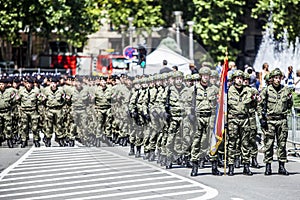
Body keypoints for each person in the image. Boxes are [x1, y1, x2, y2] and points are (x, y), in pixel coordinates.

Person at [258, 68, 293, 176]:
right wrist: (261, 118)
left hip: (282, 120)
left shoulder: (286, 90)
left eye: (279, 78)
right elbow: (259, 105)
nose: (277, 80)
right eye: (275, 78)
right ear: (272, 79)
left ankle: (281, 166)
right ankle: (268, 166)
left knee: (282, 144)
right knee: (269, 144)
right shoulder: (267, 90)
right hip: (270, 121)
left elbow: (289, 104)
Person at [190, 67, 221, 176]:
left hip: (211, 116)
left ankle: (214, 166)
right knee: (196, 141)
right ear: (200, 76)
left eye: (208, 76)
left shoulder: (214, 89)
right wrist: (190, 115)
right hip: (198, 117)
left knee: (212, 140)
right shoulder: (194, 89)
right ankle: (195, 166)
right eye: (204, 75)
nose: (206, 77)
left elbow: (220, 103)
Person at [227, 70, 254, 176]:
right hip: (233, 119)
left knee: (245, 143)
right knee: (232, 144)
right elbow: (224, 107)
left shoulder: (248, 91)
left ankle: (246, 166)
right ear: (234, 79)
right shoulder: (228, 91)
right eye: (237, 78)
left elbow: (254, 104)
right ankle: (230, 166)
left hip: (245, 119)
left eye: (241, 78)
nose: (239, 80)